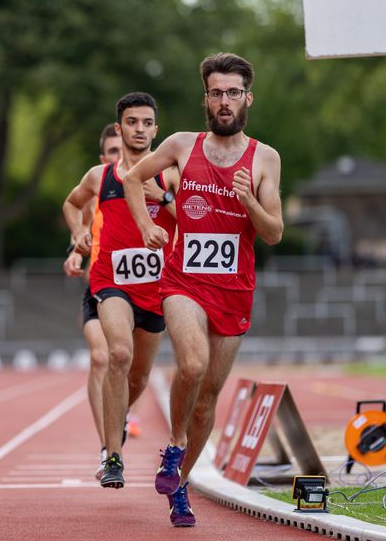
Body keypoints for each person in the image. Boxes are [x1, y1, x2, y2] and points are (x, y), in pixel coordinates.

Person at [123, 53, 283, 527]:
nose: (225, 101)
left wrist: (249, 199)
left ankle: (180, 488)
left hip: (234, 291)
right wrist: (145, 227)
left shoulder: (264, 157)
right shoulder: (181, 145)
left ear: (247, 98)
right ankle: (173, 449)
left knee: (209, 397)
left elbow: (273, 232)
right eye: (217, 92)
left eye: (234, 92)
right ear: (206, 99)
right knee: (190, 363)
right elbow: (133, 178)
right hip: (183, 281)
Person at [63, 92, 178, 489]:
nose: (140, 129)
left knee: (140, 376)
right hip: (112, 281)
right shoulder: (102, 177)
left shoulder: (171, 174)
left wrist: (161, 196)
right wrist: (78, 232)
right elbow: (71, 203)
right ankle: (113, 456)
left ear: (156, 129)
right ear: (120, 128)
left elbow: (191, 220)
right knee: (118, 354)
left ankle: (118, 421)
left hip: (157, 289)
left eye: (147, 123)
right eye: (132, 122)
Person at [63, 123, 124, 479]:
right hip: (99, 292)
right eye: (113, 152)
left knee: (130, 369)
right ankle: (108, 449)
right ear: (104, 159)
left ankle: (119, 416)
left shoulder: (149, 186)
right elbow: (79, 238)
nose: (120, 157)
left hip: (138, 293)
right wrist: (74, 254)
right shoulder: (97, 192)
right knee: (100, 357)